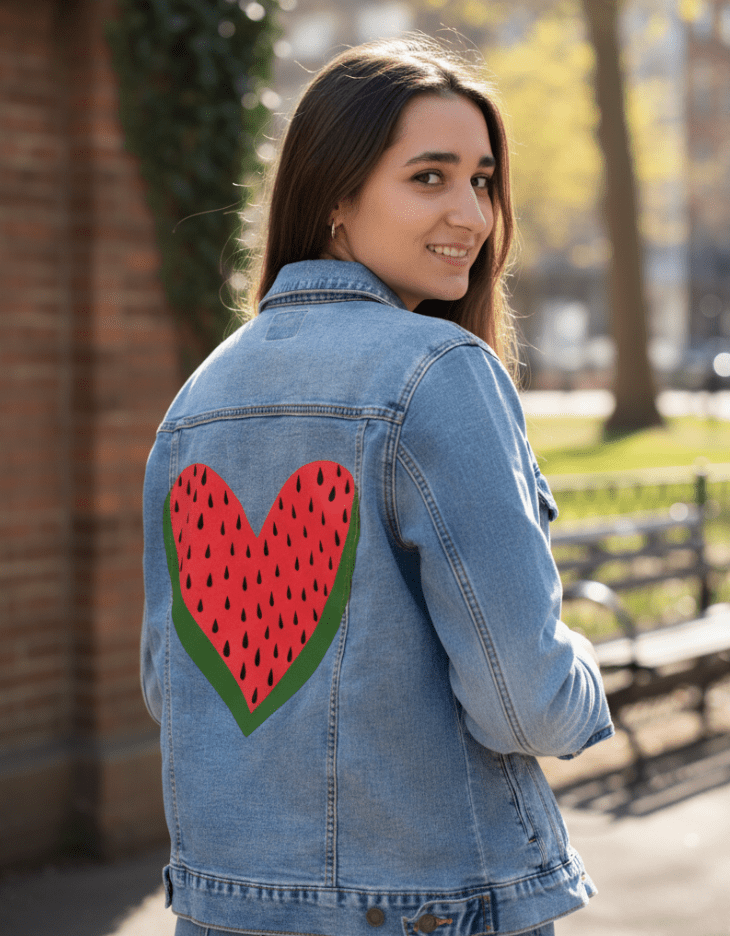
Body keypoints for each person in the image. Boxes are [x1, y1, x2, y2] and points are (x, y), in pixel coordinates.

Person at [141, 34, 613, 936]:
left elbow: (173, 683)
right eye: (429, 177)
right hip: (429, 907)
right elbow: (524, 698)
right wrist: (587, 675)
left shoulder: (197, 397)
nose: (472, 215)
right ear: (334, 200)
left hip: (223, 906)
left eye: (481, 179)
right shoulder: (441, 373)